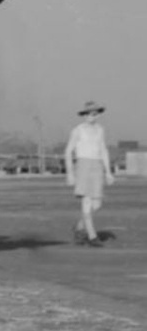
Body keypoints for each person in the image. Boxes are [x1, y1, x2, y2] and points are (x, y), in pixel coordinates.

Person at [65, 101, 115, 246]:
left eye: (93, 113)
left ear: (98, 114)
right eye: (86, 114)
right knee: (86, 201)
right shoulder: (77, 130)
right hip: (83, 165)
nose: (89, 116)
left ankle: (79, 227)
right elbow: (68, 151)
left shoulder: (100, 129)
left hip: (97, 165)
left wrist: (108, 172)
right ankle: (92, 237)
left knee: (97, 204)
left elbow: (103, 150)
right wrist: (70, 173)